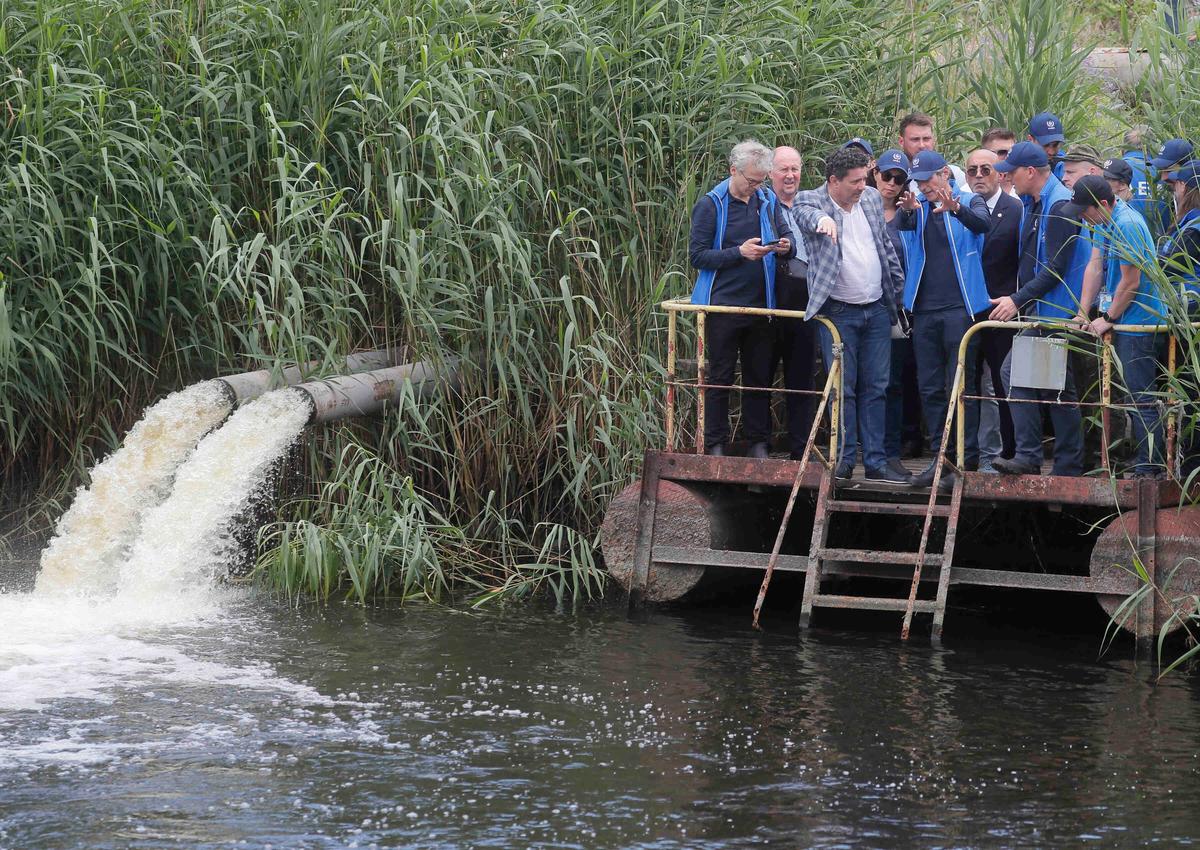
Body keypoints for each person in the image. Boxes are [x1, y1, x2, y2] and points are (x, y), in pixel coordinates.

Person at [791, 145, 909, 484]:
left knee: (877, 387)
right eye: (855, 181)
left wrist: (896, 291)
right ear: (833, 181)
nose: (862, 187)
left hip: (875, 308)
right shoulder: (810, 200)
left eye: (864, 179)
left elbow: (883, 244)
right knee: (843, 388)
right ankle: (842, 461)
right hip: (838, 313)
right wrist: (825, 220)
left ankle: (875, 461)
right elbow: (807, 215)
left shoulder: (870, 199)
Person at [990, 141, 1090, 477]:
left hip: (1056, 310)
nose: (1008, 179)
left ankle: (1044, 458)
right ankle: (1055, 460)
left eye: (1011, 173)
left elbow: (1057, 266)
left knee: (1034, 381)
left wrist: (1017, 300)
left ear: (1030, 171)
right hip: (1042, 309)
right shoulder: (1036, 202)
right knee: (1053, 387)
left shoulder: (1059, 206)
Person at [689, 140, 795, 458]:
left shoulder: (766, 199)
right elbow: (698, 255)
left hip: (763, 304)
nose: (756, 186)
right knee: (720, 375)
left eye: (761, 180)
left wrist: (784, 246)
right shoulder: (711, 204)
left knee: (758, 376)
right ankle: (715, 444)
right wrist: (740, 253)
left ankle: (758, 443)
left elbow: (786, 233)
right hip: (722, 305)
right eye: (751, 180)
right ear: (733, 170)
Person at [896, 151, 992, 490]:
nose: (924, 187)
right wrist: (907, 212)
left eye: (929, 180)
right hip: (923, 311)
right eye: (919, 181)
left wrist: (956, 209)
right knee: (931, 388)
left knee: (960, 386)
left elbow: (983, 225)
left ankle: (965, 459)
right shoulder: (916, 206)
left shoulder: (970, 199)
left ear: (944, 175)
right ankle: (940, 460)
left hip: (961, 309)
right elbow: (899, 230)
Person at [1070, 175, 1165, 477]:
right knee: (1125, 394)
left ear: (1104, 203)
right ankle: (1133, 458)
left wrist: (1107, 318)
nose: (1084, 217)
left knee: (1141, 394)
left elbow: (1132, 282)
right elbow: (1096, 267)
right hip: (1123, 318)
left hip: (1140, 322)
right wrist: (1083, 313)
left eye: (1086, 211)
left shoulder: (1127, 224)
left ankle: (1150, 464)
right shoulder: (1104, 222)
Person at [967, 147, 1022, 466]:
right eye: (972, 170)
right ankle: (970, 453)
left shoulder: (1015, 210)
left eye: (985, 170)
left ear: (999, 173)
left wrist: (1016, 300)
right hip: (967, 310)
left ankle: (1009, 452)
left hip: (1002, 310)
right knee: (969, 384)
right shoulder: (959, 208)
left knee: (1004, 383)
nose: (978, 176)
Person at [875, 148, 924, 475]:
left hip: (898, 311)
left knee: (892, 383)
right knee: (863, 384)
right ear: (874, 174)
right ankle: (864, 449)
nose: (891, 184)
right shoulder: (859, 207)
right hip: (863, 305)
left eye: (898, 178)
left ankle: (891, 451)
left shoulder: (910, 215)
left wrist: (913, 212)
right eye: (886, 175)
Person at [768, 146, 818, 459]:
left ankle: (802, 446)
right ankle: (760, 444)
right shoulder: (761, 205)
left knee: (802, 376)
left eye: (795, 169)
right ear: (770, 172)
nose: (790, 176)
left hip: (806, 297)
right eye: (783, 169)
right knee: (762, 373)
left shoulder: (809, 204)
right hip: (770, 297)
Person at [897, 112, 966, 189]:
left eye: (926, 139)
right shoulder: (893, 179)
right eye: (915, 139)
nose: (922, 145)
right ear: (901, 142)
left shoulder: (954, 174)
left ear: (933, 139)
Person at [1122, 126, 1156, 222]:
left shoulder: (1115, 170)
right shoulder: (1163, 170)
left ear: (1123, 146)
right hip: (1167, 235)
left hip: (1127, 234)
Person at [1027, 111, 1066, 179]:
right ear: (1030, 139)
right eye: (1045, 145)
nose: (1051, 152)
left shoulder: (1064, 165)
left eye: (1055, 145)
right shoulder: (1017, 164)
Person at [982, 127, 1018, 195]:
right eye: (1002, 152)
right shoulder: (970, 192)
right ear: (984, 154)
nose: (1008, 156)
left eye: (1011, 151)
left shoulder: (1027, 188)